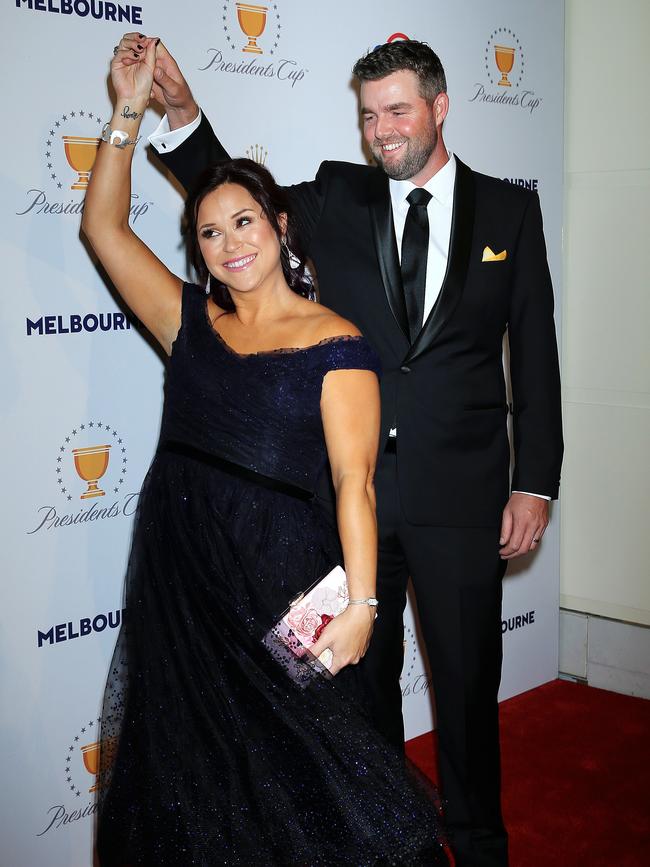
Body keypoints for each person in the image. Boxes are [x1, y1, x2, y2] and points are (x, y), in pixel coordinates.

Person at [117, 35, 563, 867]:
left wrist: (534, 482)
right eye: (368, 116)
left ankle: (479, 845)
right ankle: (391, 846)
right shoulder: (334, 194)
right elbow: (236, 197)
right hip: (339, 511)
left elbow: (534, 350)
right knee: (352, 696)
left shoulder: (509, 210)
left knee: (465, 694)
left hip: (461, 499)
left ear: (439, 106)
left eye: (397, 110)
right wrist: (180, 109)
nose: (381, 130)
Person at [84, 37, 449, 867]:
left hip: (291, 583)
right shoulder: (189, 324)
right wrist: (127, 107)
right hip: (185, 574)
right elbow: (102, 227)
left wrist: (360, 606)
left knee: (314, 763)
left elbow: (356, 485)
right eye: (208, 232)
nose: (228, 243)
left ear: (279, 226)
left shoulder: (336, 342)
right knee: (191, 765)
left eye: (243, 220)